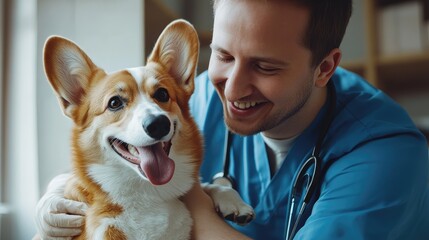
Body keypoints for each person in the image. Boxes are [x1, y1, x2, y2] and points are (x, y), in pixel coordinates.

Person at [35, 0, 429, 239]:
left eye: (264, 66)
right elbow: (111, 162)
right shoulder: (198, 98)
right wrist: (59, 197)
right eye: (223, 55)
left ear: (324, 67)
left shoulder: (386, 152)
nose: (233, 88)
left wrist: (195, 202)